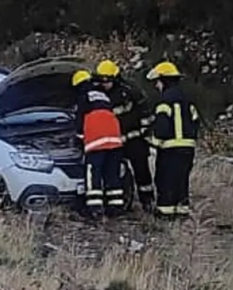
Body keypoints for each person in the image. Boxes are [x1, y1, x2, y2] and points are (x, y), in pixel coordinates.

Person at [94, 59, 156, 213]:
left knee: (141, 170)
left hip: (134, 138)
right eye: (101, 80)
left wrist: (144, 132)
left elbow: (145, 112)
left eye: (107, 80)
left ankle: (147, 201)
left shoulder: (130, 90)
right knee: (113, 172)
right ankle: (119, 203)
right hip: (113, 141)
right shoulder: (97, 93)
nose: (104, 83)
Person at [145, 61, 199, 218]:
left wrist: (152, 143)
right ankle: (182, 212)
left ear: (164, 80)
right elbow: (195, 121)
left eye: (157, 82)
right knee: (181, 181)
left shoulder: (164, 102)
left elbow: (161, 128)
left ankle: (165, 213)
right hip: (188, 149)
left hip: (170, 150)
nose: (156, 86)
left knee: (165, 181)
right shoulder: (187, 100)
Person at [72, 69, 125, 220]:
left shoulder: (83, 96)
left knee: (93, 174)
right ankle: (116, 208)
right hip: (114, 139)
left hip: (97, 140)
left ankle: (95, 209)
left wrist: (78, 139)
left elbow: (80, 122)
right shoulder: (103, 96)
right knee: (112, 174)